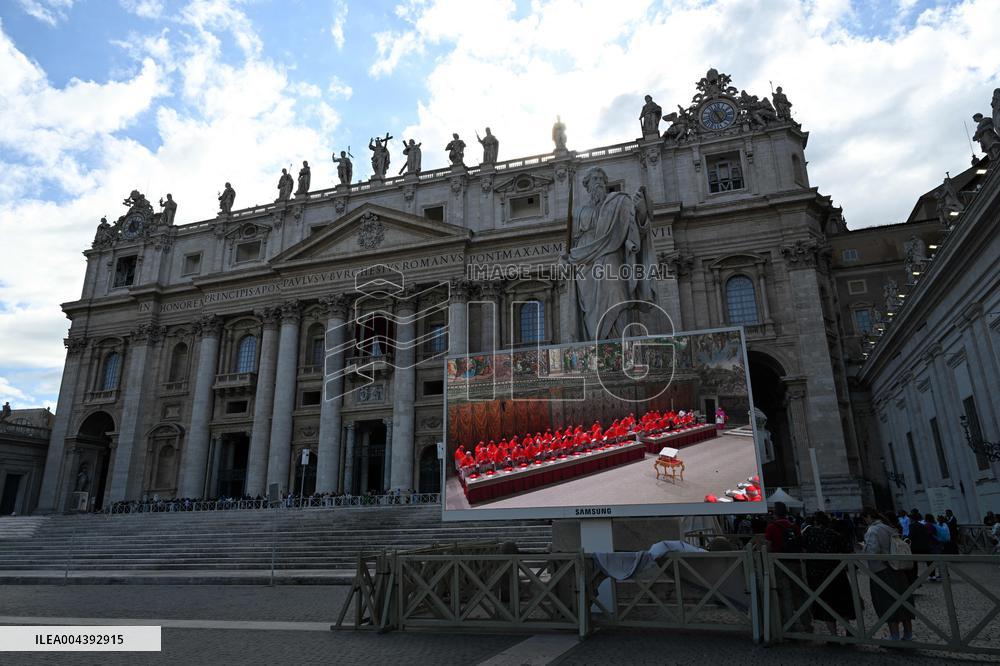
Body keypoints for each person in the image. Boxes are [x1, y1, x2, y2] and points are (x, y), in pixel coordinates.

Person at [861, 508, 914, 641]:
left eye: (864, 519)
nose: (865, 522)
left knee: (887, 602)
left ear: (868, 517)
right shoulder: (888, 527)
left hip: (881, 570)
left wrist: (863, 547)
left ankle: (894, 635)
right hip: (896, 568)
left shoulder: (872, 530)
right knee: (902, 600)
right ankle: (908, 634)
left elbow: (873, 552)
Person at [802, 511, 856, 636]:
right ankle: (849, 631)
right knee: (841, 602)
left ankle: (833, 635)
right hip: (836, 572)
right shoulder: (835, 535)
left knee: (825, 603)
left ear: (815, 522)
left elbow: (801, 547)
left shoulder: (809, 533)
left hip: (817, 574)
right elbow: (849, 551)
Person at [765, 502, 810, 632]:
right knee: (800, 594)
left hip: (780, 563)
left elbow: (768, 547)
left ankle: (790, 626)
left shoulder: (772, 527)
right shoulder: (794, 527)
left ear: (775, 513)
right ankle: (807, 624)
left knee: (785, 595)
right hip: (795, 563)